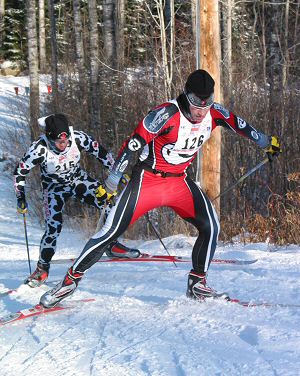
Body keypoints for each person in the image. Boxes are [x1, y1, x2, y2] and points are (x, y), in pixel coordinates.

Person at [40, 70, 281, 308]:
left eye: (206, 103)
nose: (200, 110)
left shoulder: (214, 112)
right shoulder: (165, 113)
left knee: (211, 226)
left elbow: (241, 125)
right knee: (109, 232)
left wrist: (265, 142)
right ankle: (69, 283)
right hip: (148, 181)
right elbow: (133, 145)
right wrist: (113, 180)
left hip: (179, 182)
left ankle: (197, 284)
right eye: (196, 102)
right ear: (187, 95)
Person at [14, 113, 140, 288]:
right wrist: (20, 197)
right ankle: (42, 268)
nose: (63, 145)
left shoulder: (78, 137)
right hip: (53, 188)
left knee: (109, 203)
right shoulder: (39, 148)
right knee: (53, 227)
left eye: (65, 141)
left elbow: (102, 153)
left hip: (78, 180)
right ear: (50, 139)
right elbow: (20, 172)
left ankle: (111, 245)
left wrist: (117, 174)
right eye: (59, 143)